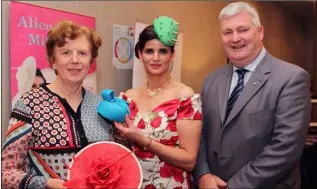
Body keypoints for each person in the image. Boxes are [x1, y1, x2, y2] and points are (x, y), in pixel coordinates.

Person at [193, 2, 311, 189]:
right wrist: (203, 174)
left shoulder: (292, 78)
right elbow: (200, 133)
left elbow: (285, 148)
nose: (235, 38)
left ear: (260, 32)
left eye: (243, 30)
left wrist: (234, 186)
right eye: (227, 32)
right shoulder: (212, 80)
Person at [1, 20, 114, 189]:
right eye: (66, 52)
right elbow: (6, 172)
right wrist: (45, 184)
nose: (75, 60)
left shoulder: (101, 106)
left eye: (82, 53)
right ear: (52, 60)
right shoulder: (30, 103)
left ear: (91, 61)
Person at [114, 16, 202, 189]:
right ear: (140, 54)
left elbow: (190, 161)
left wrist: (145, 141)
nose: (156, 57)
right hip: (132, 183)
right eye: (149, 51)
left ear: (172, 55)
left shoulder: (184, 96)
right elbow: (122, 148)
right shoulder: (129, 97)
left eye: (163, 51)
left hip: (169, 184)